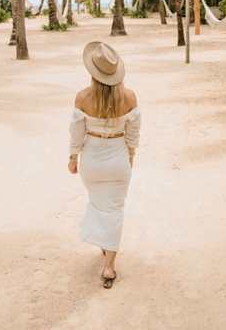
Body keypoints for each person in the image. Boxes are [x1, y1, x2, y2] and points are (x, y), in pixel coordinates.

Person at [68, 41, 141, 289]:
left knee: (99, 204)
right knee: (114, 209)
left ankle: (105, 246)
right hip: (118, 158)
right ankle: (109, 265)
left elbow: (76, 132)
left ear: (92, 72)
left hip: (92, 160)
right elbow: (133, 133)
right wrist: (131, 155)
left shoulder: (82, 97)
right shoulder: (130, 97)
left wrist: (73, 157)